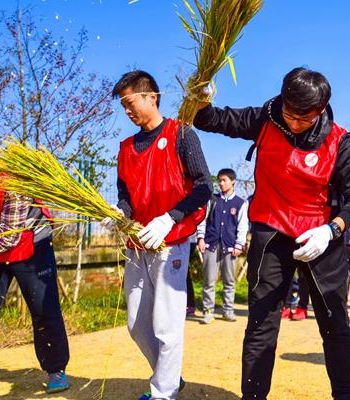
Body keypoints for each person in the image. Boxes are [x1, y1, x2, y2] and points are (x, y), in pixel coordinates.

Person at [194, 67, 350, 400]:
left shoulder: (339, 142)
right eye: (289, 113)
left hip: (320, 238)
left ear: (321, 110)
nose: (292, 123)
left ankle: (345, 396)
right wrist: (201, 101)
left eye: (303, 119)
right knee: (260, 324)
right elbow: (213, 120)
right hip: (271, 232)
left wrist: (331, 230)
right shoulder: (267, 118)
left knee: (335, 325)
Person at [107, 70, 212, 400]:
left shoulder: (181, 134)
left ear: (151, 96)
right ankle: (170, 376)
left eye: (130, 102)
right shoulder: (126, 148)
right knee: (137, 323)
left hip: (172, 241)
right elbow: (125, 193)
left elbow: (204, 186)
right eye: (123, 106)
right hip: (137, 243)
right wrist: (120, 214)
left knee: (167, 325)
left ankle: (163, 393)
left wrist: (170, 218)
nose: (127, 111)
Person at [0, 178, 70, 394]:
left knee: (43, 309)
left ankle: (56, 368)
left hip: (28, 243)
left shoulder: (11, 182)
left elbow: (8, 235)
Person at [197, 168, 248, 324]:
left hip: (230, 247)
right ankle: (208, 311)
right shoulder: (212, 200)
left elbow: (242, 226)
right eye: (219, 180)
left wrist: (239, 245)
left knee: (229, 281)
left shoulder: (240, 203)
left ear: (233, 181)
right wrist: (200, 238)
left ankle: (228, 310)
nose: (221, 183)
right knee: (209, 280)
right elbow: (202, 220)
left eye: (224, 180)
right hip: (210, 244)